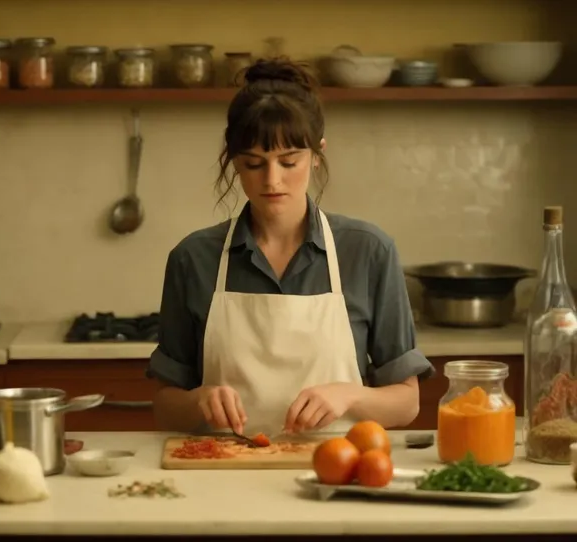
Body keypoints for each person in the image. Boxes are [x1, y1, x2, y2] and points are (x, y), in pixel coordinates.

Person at [146, 57, 434, 438]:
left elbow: (407, 403)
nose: (272, 180)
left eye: (289, 160)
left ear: (317, 154)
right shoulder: (194, 258)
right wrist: (198, 400)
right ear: (233, 161)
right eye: (253, 164)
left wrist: (349, 396)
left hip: (338, 470)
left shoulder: (368, 251)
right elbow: (166, 407)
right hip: (223, 472)